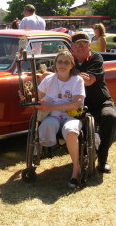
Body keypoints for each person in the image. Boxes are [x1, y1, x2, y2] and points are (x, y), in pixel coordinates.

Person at [34, 50, 86, 189]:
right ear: (55, 64)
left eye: (66, 62)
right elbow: (37, 99)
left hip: (72, 116)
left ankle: (76, 169)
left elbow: (77, 103)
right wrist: (27, 98)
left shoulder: (77, 80)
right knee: (47, 124)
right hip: (53, 116)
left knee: (70, 131)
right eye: (59, 61)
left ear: (71, 65)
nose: (62, 64)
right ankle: (40, 152)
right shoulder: (48, 80)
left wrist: (51, 105)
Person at [70, 31, 116, 174]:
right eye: (77, 45)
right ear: (72, 48)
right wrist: (76, 74)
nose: (81, 47)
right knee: (81, 126)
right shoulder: (67, 60)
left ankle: (102, 160)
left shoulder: (96, 58)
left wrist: (68, 73)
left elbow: (89, 80)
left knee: (110, 119)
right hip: (80, 105)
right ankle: (87, 153)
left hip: (101, 101)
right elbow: (48, 73)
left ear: (89, 46)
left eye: (84, 44)